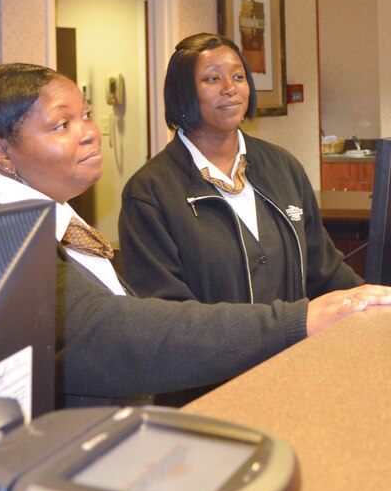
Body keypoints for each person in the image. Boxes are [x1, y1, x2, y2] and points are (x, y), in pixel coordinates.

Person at [0, 63, 391, 408]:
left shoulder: (59, 222)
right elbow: (111, 334)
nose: (90, 133)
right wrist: (293, 322)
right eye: (62, 125)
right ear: (0, 152)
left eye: (86, 115)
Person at [118, 33, 360, 312]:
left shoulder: (284, 167)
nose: (229, 88)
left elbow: (325, 271)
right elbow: (166, 314)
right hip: (215, 356)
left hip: (296, 353)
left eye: (238, 77)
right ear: (183, 92)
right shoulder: (149, 192)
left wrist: (378, 299)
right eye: (212, 79)